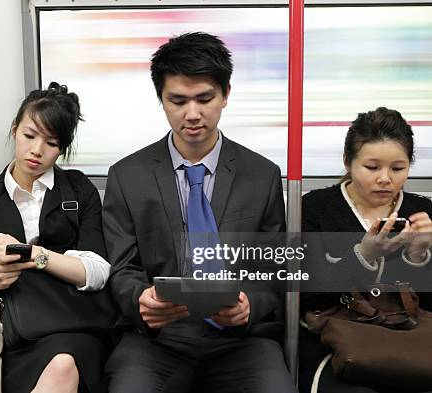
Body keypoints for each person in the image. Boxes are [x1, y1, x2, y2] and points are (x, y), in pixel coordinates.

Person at [102, 32, 297, 393]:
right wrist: (140, 299)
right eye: (177, 100)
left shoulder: (262, 175)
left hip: (242, 341)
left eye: (204, 98)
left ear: (225, 95)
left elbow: (273, 267)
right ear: (161, 99)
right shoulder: (127, 176)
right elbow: (121, 267)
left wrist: (250, 305)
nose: (192, 114)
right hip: (157, 340)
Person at [0, 82, 113, 393]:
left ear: (63, 147)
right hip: (10, 334)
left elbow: (97, 272)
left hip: (74, 325)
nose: (37, 151)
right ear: (15, 129)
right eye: (29, 136)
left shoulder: (78, 190)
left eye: (52, 143)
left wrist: (33, 256)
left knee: (63, 363)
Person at [299, 107, 432, 393]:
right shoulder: (315, 208)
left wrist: (419, 255)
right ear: (348, 161)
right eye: (372, 168)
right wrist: (364, 255)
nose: (385, 179)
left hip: (412, 341)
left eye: (398, 168)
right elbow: (304, 293)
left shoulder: (422, 212)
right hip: (336, 341)